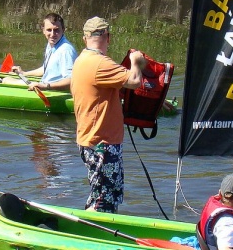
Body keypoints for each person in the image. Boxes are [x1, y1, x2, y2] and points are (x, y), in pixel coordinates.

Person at [70, 16, 146, 213]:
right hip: (101, 143)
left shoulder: (82, 60)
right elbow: (135, 81)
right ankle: (94, 234)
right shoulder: (100, 64)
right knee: (105, 198)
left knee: (101, 193)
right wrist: (135, 61)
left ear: (84, 38)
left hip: (91, 139)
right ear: (108, 37)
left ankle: (89, 225)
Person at [10, 13, 78, 92]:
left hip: (53, 91)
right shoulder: (52, 43)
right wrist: (24, 73)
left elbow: (71, 81)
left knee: (6, 80)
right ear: (43, 30)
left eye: (56, 30)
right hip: (45, 85)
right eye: (49, 30)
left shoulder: (66, 50)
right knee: (7, 79)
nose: (52, 34)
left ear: (63, 30)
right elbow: (46, 69)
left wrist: (45, 86)